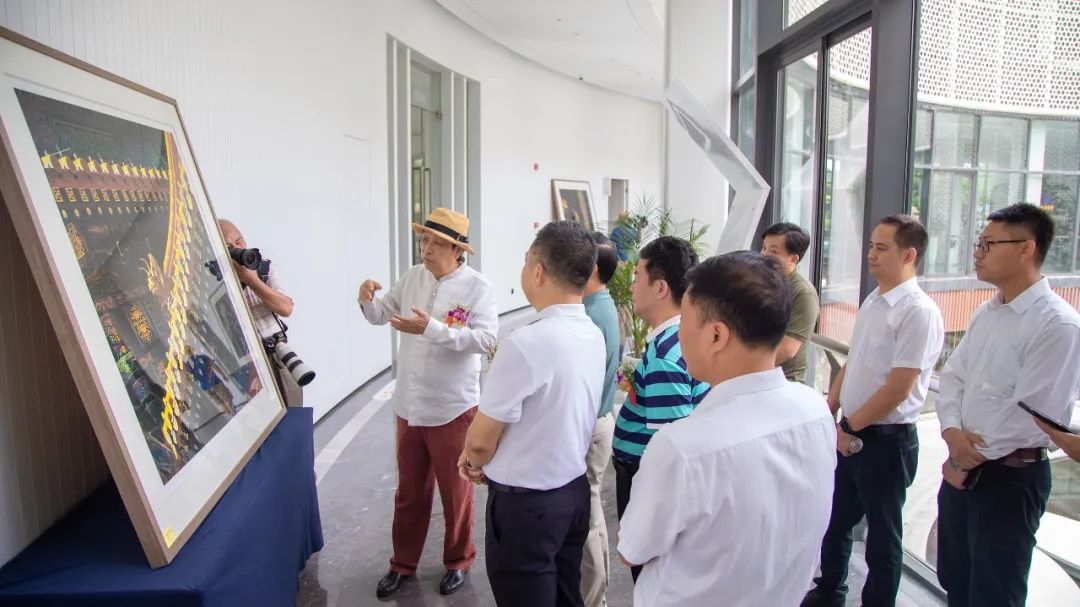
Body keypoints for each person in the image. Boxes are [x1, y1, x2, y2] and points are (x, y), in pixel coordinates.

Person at [617, 252, 837, 606]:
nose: (679, 333)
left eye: (685, 320)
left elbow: (632, 550)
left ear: (716, 335)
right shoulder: (815, 411)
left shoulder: (681, 447)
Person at [935, 203, 1080, 606]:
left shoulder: (1058, 324)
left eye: (988, 244)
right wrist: (951, 431)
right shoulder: (987, 311)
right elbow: (954, 376)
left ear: (1026, 248)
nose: (977, 253)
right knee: (956, 582)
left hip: (1010, 479)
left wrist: (965, 456)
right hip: (963, 465)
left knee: (995, 593)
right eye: (978, 243)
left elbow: (1034, 414)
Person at [456, 220, 604, 607]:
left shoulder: (525, 343)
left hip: (527, 509)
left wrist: (473, 461)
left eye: (526, 260)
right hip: (573, 494)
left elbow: (481, 441)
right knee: (566, 595)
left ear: (538, 271)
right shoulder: (592, 333)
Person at [802, 215, 944, 607]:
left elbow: (899, 387)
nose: (871, 255)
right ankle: (830, 590)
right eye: (871, 246)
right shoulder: (875, 299)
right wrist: (830, 409)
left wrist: (849, 426)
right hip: (850, 431)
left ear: (909, 255)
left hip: (886, 441)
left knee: (883, 537)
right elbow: (854, 362)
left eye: (882, 248)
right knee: (835, 520)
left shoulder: (918, 311)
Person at [357, 207, 497, 599]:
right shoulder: (412, 277)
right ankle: (402, 564)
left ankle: (459, 560)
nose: (427, 249)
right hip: (409, 406)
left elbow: (487, 340)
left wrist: (432, 329)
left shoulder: (478, 287)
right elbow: (380, 314)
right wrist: (367, 300)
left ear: (458, 250)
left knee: (456, 494)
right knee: (409, 493)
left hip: (453, 407)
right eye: (424, 240)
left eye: (437, 243)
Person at [611, 236, 708, 582]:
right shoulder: (676, 338)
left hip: (644, 476)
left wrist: (644, 519)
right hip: (641, 471)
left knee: (650, 575)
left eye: (637, 276)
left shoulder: (667, 354)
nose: (631, 286)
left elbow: (669, 449)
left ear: (661, 288)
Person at [580, 232, 620, 607]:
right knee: (591, 512)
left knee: (589, 518)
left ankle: (594, 598)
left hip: (591, 425)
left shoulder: (590, 314)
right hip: (601, 420)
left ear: (591, 268)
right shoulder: (602, 304)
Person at [218, 219, 296, 401]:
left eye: (239, 241)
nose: (237, 248)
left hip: (279, 353)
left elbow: (286, 308)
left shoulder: (264, 269)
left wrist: (251, 280)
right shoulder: (219, 283)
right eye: (228, 247)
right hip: (250, 366)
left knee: (295, 409)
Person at [760, 222, 820, 383]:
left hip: (783, 381)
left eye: (773, 251)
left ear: (793, 259)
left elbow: (787, 349)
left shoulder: (803, 293)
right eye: (764, 248)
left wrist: (743, 366)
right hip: (755, 375)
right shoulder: (761, 282)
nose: (764, 255)